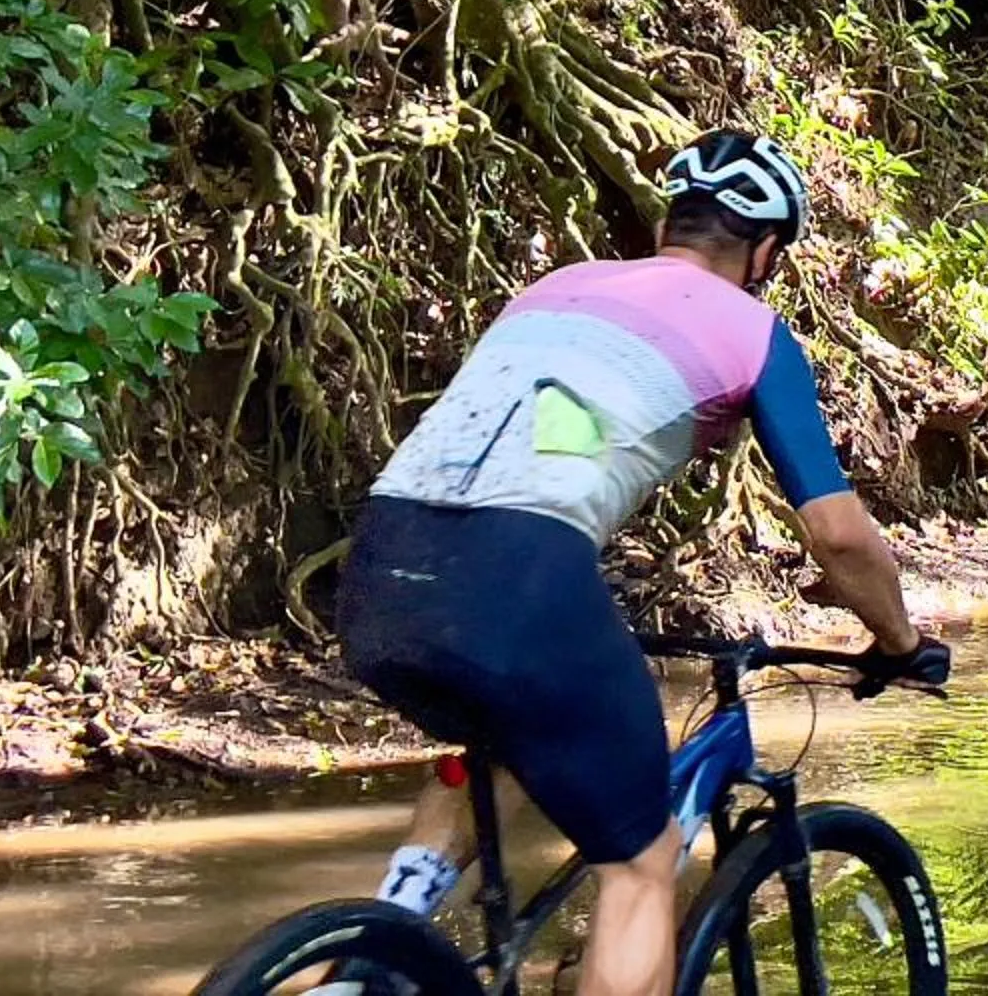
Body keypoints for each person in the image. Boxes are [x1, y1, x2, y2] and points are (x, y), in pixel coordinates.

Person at [331, 128, 948, 996]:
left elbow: (536, 440)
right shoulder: (754, 330)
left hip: (382, 565)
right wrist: (895, 638)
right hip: (522, 572)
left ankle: (372, 954)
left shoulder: (555, 288)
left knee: (499, 738)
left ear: (674, 223)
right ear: (766, 249)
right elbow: (840, 535)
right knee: (644, 856)